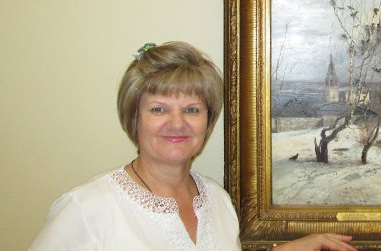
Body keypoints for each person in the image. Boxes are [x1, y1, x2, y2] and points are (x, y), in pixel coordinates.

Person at [30, 41, 357, 251]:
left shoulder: (217, 200)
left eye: (191, 109)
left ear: (207, 120)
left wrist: (296, 247)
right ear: (134, 118)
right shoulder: (89, 208)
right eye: (159, 109)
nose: (177, 123)